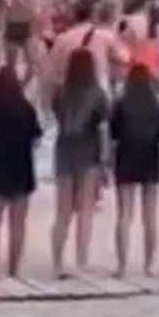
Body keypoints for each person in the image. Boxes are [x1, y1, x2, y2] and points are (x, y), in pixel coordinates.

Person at [52, 49, 110, 278]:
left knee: (63, 211)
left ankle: (57, 261)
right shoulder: (97, 94)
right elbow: (104, 125)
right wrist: (106, 161)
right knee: (85, 210)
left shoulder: (61, 92)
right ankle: (81, 261)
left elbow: (56, 115)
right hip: (88, 151)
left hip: (64, 148)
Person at [0, 67, 42, 278]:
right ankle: (14, 270)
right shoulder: (26, 109)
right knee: (18, 226)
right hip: (21, 170)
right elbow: (36, 135)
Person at [109, 64, 159, 278]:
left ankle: (122, 266)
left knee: (124, 213)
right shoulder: (155, 104)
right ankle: (149, 265)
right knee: (150, 215)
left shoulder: (121, 103)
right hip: (150, 157)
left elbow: (113, 132)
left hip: (126, 156)